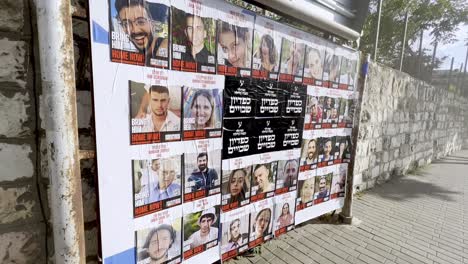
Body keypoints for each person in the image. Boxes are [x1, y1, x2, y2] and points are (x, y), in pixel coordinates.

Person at [114, 0, 169, 66]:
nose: (135, 30)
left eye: (141, 22)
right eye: (126, 24)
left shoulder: (165, 46)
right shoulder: (131, 49)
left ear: (152, 24)